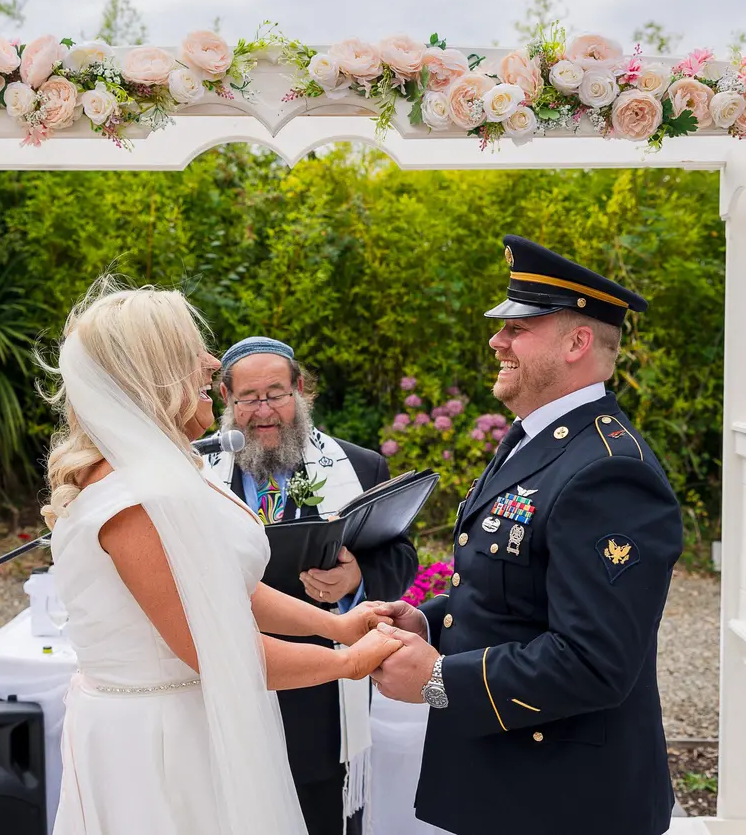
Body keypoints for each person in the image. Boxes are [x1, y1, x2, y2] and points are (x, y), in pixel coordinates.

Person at [39, 279, 401, 835]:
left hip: (196, 720)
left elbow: (225, 587)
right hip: (159, 746)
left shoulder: (163, 468)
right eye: (193, 353)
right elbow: (212, 644)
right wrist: (345, 664)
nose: (212, 362)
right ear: (150, 374)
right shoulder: (135, 500)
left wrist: (339, 625)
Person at [369, 235, 684, 835]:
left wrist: (438, 680)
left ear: (577, 342)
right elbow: (516, 588)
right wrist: (430, 622)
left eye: (518, 327)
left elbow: (595, 661)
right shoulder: (538, 437)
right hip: (516, 784)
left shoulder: (608, 470)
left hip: (566, 800)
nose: (497, 340)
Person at [206, 336, 419, 835]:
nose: (264, 412)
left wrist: (357, 575)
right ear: (225, 398)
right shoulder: (196, 472)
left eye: (276, 394)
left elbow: (399, 553)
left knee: (319, 812)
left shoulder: (360, 467)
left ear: (300, 390)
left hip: (322, 687)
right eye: (248, 398)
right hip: (230, 671)